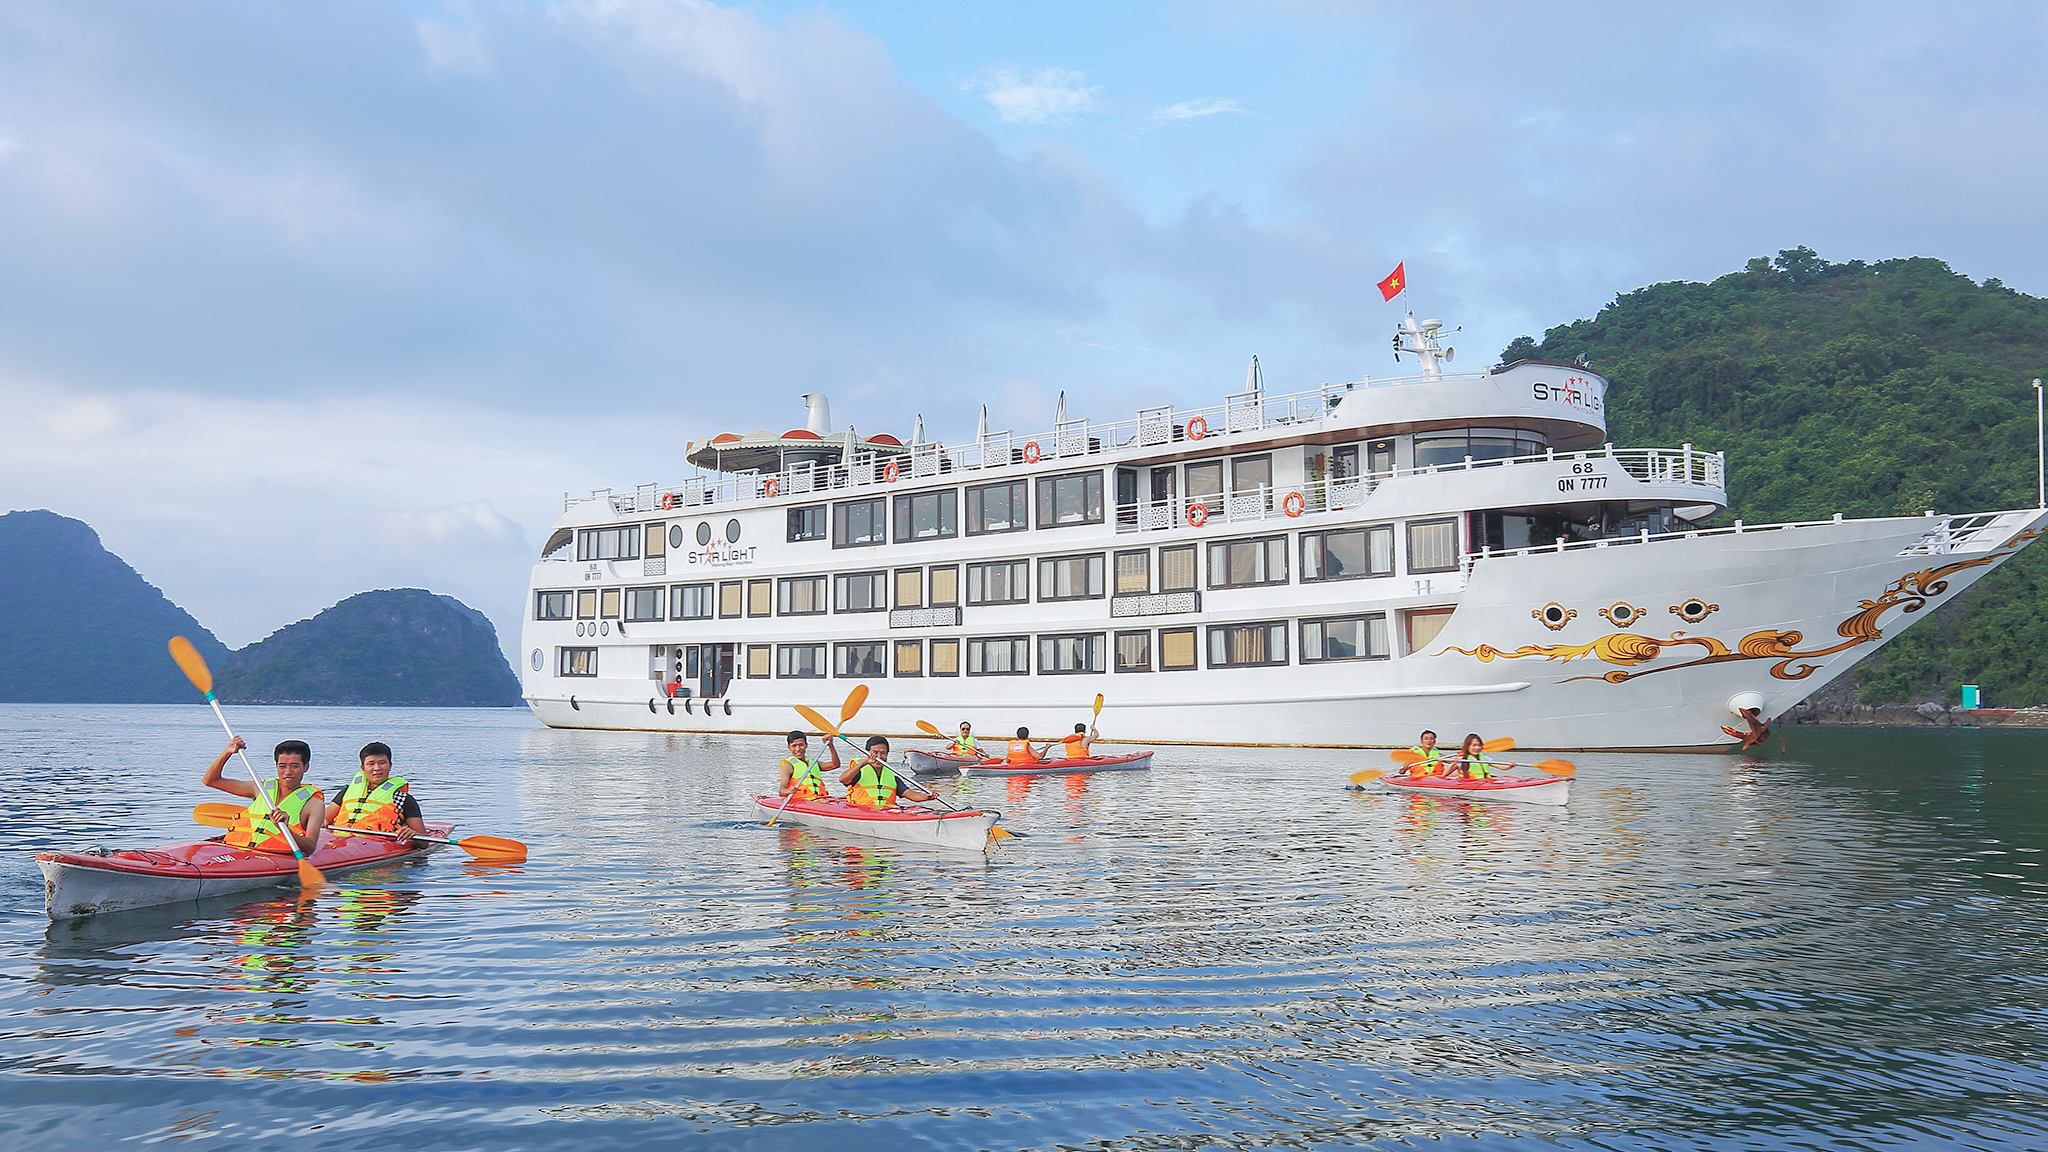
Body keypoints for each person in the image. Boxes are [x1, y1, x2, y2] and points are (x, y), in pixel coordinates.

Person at [204, 737, 323, 855]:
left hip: (274, 857)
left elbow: (310, 847)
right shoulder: (260, 788)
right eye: (282, 766)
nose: (287, 772)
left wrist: (286, 829)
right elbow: (210, 780)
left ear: (306, 767)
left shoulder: (314, 805)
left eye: (294, 766)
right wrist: (227, 752)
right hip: (237, 851)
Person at [325, 741, 426, 845]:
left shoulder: (404, 799)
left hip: (377, 845)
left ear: (390, 765)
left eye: (382, 763)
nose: (377, 768)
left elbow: (424, 843)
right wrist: (322, 822)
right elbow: (325, 819)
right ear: (363, 768)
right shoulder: (346, 792)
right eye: (371, 764)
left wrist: (413, 834)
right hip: (340, 842)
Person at [840, 735, 933, 808]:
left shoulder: (891, 775)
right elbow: (843, 779)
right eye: (875, 752)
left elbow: (908, 793)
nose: (879, 757)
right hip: (862, 810)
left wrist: (925, 797)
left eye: (883, 753)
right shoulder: (859, 772)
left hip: (885, 811)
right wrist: (864, 762)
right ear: (867, 753)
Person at [779, 729, 839, 801]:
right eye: (794, 746)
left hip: (820, 799)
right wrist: (788, 791)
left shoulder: (813, 762)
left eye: (801, 745)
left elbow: (835, 765)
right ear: (789, 747)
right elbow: (781, 791)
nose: (798, 749)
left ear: (806, 745)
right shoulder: (788, 765)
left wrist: (830, 745)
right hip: (801, 801)